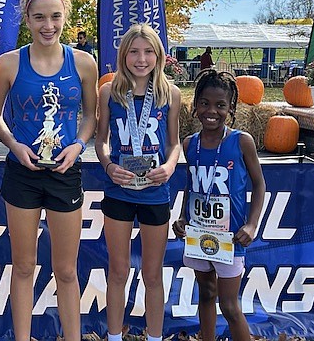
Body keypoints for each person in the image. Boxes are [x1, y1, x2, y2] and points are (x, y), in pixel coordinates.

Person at [0, 0, 98, 341]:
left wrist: (79, 146)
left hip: (65, 172)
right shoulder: (8, 63)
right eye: (39, 17)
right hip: (22, 173)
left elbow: (90, 118)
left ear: (65, 17)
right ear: (27, 20)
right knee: (23, 267)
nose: (47, 25)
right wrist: (15, 146)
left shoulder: (83, 62)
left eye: (55, 17)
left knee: (66, 270)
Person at [94, 24, 181, 341]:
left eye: (148, 52)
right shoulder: (109, 91)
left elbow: (174, 143)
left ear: (158, 56)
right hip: (119, 189)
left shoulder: (169, 93)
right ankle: (114, 335)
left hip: (155, 192)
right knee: (117, 271)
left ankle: (155, 336)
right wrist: (108, 165)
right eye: (134, 51)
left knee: (152, 273)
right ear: (123, 55)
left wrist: (170, 166)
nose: (141, 59)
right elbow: (100, 140)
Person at [172, 69, 265, 341]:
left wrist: (251, 224)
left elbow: (259, 184)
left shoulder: (241, 141)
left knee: (229, 305)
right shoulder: (190, 144)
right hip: (199, 236)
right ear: (195, 106)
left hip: (230, 238)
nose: (211, 111)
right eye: (205, 103)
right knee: (205, 295)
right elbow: (192, 185)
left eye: (220, 105)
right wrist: (182, 216)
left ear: (231, 108)